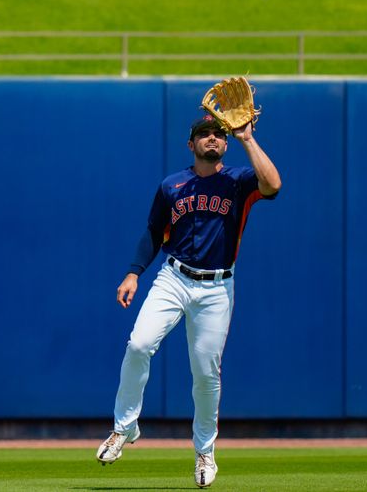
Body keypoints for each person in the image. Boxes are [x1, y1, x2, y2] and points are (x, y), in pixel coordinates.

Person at [96, 111, 281, 488]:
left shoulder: (238, 182)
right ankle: (124, 427)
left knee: (205, 374)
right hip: (174, 277)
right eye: (204, 134)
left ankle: (205, 452)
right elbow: (152, 231)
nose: (212, 138)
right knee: (138, 344)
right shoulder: (173, 185)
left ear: (225, 144)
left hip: (217, 288)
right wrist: (134, 272)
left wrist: (247, 138)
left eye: (218, 134)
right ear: (191, 144)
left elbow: (274, 186)